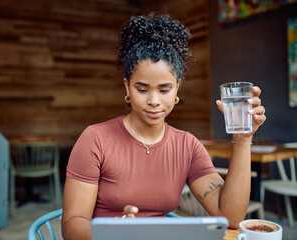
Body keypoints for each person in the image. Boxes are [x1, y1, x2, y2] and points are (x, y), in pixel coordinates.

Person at [61, 13, 266, 240]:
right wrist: (111, 232)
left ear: (177, 88)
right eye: (142, 89)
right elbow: (72, 224)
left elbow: (231, 216)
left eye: (164, 89)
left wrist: (244, 138)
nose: (154, 101)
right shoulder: (95, 139)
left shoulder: (187, 146)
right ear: (127, 87)